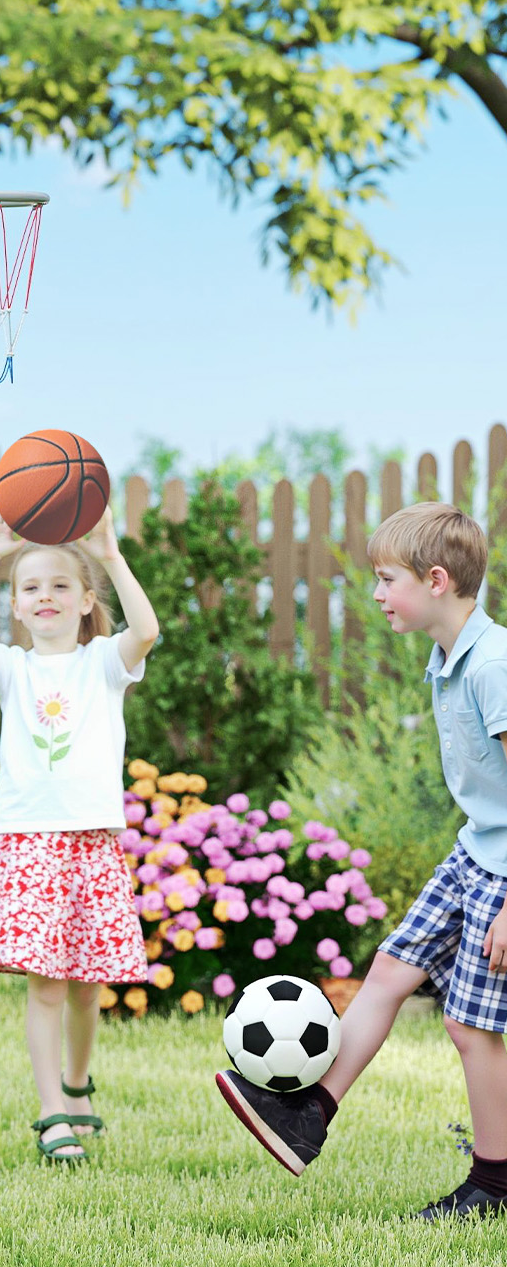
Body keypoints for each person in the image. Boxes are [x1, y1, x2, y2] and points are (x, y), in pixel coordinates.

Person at [216, 504, 507, 1218]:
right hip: (476, 851)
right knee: (388, 971)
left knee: (470, 1028)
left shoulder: (493, 666)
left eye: (386, 580)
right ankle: (308, 1115)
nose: (375, 595)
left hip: (504, 872)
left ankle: (495, 1185)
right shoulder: (451, 658)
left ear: (436, 581)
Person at [0, 505, 162, 1162]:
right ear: (15, 607)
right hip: (31, 844)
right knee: (44, 982)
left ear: (85, 600)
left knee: (86, 983)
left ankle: (76, 1085)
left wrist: (112, 554)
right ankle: (50, 1112)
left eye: (61, 586)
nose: (46, 596)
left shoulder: (103, 663)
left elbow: (147, 629)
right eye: (31, 588)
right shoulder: (11, 668)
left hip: (90, 843)